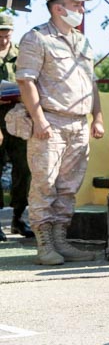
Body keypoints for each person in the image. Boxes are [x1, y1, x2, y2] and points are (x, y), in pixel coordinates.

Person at [14, 0, 104, 265]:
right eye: (76, 4)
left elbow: (92, 83)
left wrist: (97, 117)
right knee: (45, 183)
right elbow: (25, 81)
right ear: (58, 8)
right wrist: (39, 120)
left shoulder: (83, 41)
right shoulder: (37, 38)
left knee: (68, 187)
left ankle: (61, 241)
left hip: (78, 123)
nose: (81, 9)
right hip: (50, 121)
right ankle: (45, 245)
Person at [0, 12, 33, 238]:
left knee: (24, 167)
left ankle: (18, 218)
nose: (3, 40)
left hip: (18, 118)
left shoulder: (21, 55)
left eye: (6, 35)